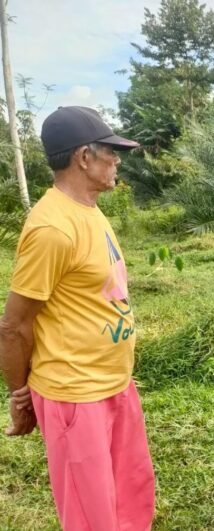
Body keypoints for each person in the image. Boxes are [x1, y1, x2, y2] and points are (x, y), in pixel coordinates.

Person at [0, 106, 155, 530]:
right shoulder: (52, 229)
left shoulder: (88, 209)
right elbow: (13, 325)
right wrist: (20, 395)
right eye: (111, 152)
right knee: (92, 516)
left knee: (130, 498)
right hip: (75, 394)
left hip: (114, 382)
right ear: (84, 157)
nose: (117, 160)